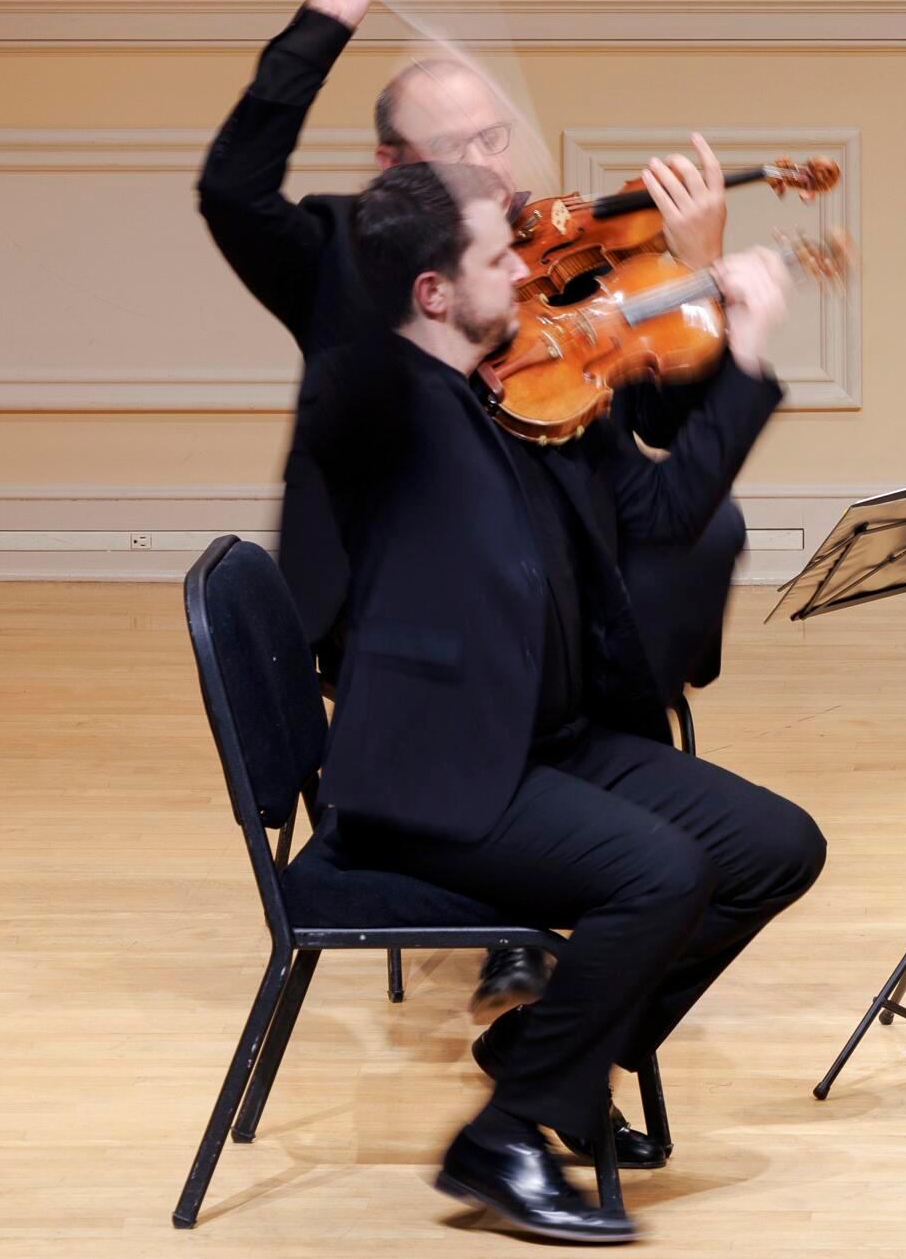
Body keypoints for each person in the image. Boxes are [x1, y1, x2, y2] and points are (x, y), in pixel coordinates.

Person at [196, 0, 750, 1016]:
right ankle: (534, 880)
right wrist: (322, 25)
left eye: (498, 138)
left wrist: (697, 280)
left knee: (650, 572)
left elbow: (675, 431)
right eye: (460, 151)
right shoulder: (345, 255)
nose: (493, 167)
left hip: (536, 594)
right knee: (568, 639)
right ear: (395, 165)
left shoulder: (545, 265)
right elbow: (230, 192)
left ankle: (587, 870)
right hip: (386, 597)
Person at [308, 162, 825, 1244]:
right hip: (436, 775)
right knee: (660, 875)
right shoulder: (384, 407)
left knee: (777, 846)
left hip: (550, 740)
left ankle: (548, 1052)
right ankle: (505, 1137)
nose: (538, 270)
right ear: (436, 294)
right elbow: (292, 255)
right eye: (503, 258)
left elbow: (673, 506)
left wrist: (745, 349)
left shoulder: (551, 389)